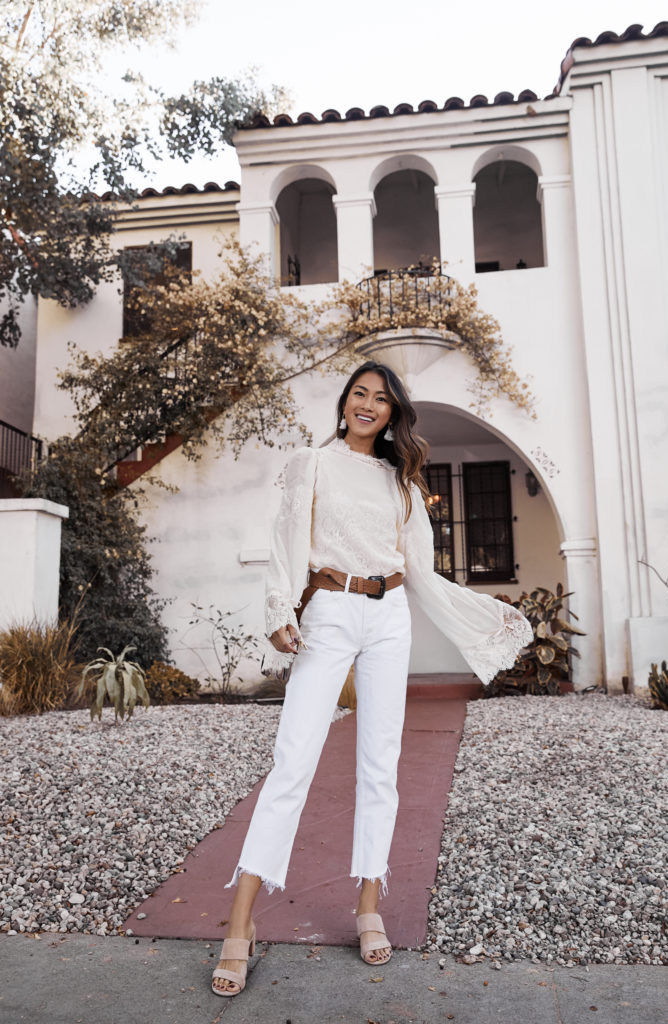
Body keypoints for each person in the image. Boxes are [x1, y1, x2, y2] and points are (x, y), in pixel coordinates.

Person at [211, 361, 533, 997]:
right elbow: (285, 543)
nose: (367, 406)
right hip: (331, 609)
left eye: (380, 400)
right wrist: (279, 612)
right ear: (344, 403)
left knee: (380, 764)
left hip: (390, 619)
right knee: (293, 760)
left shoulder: (401, 481)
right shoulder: (314, 462)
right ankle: (240, 924)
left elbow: (418, 569)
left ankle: (368, 905)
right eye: (359, 394)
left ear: (392, 414)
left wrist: (486, 619)